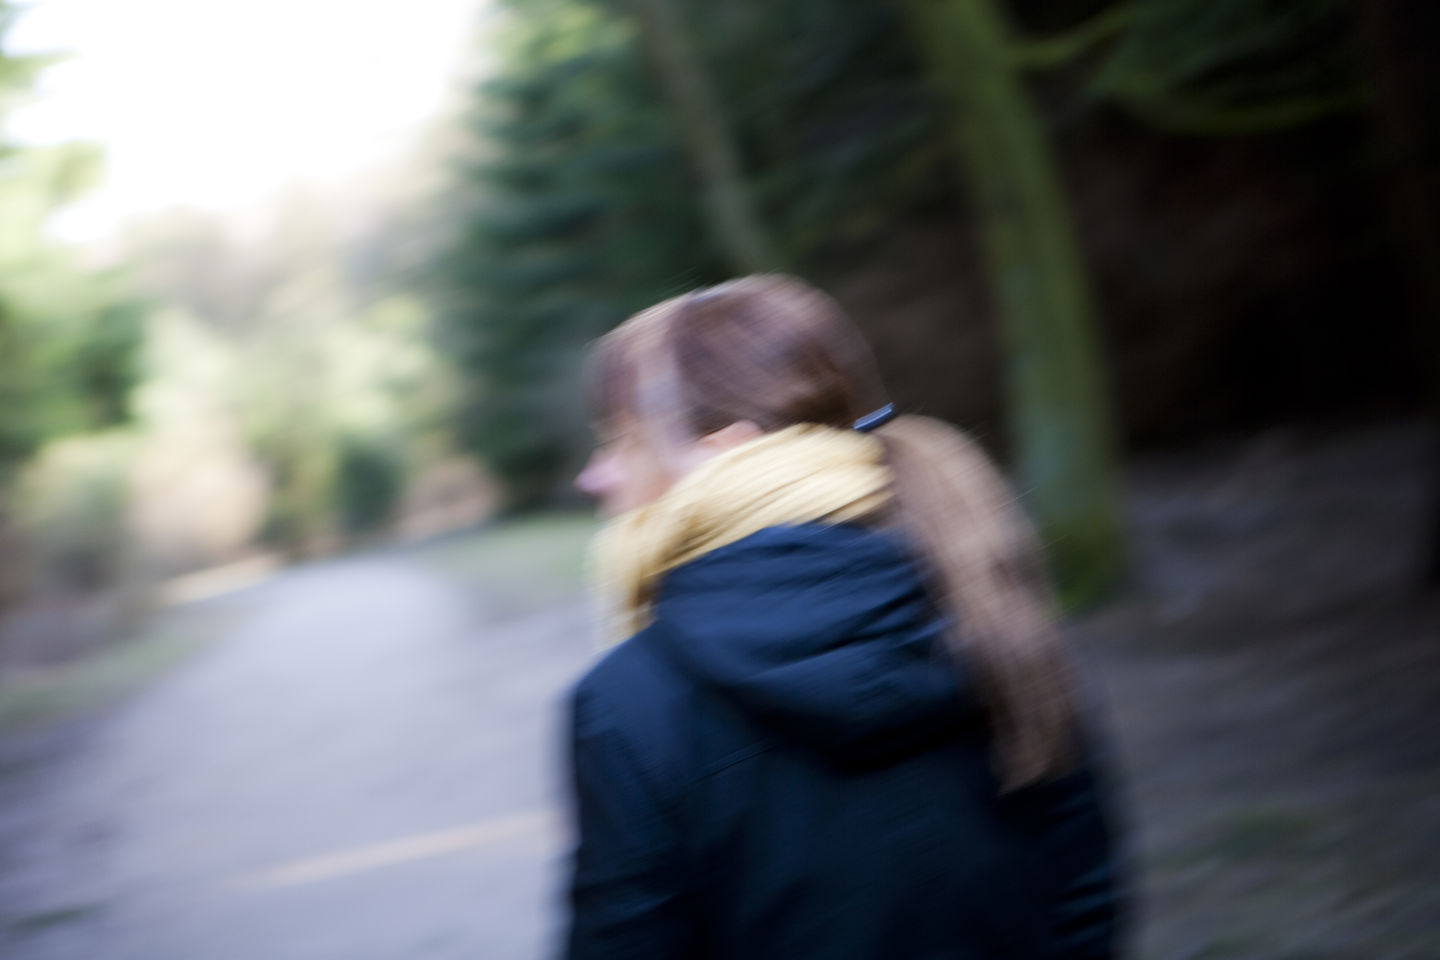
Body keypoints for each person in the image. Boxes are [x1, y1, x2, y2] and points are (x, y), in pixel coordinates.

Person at [564, 275, 1126, 959]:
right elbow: (1084, 900)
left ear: (722, 453)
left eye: (621, 442)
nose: (594, 476)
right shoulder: (988, 601)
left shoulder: (627, 704)